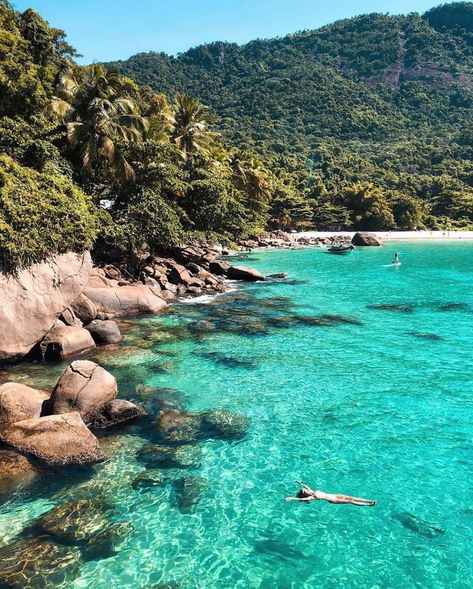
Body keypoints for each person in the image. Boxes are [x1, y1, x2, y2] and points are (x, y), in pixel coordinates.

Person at [286, 481, 376, 506]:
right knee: (350, 501)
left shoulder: (312, 491)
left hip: (334, 494)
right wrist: (291, 498)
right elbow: (302, 499)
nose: (305, 490)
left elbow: (306, 487)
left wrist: (299, 483)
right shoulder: (312, 497)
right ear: (306, 494)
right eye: (304, 491)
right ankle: (368, 504)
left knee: (351, 497)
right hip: (332, 499)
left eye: (304, 490)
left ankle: (370, 501)